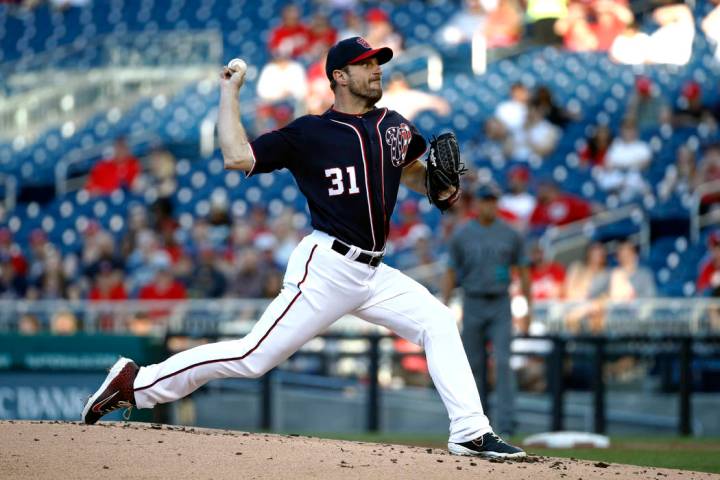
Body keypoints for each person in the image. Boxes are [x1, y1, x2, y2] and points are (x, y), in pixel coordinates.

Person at [81, 37, 525, 458]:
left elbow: (408, 169)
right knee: (252, 357)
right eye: (365, 64)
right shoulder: (310, 133)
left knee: (438, 322)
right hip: (327, 267)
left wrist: (436, 184)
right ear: (339, 77)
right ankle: (136, 384)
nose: (376, 71)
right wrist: (229, 94)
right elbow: (237, 156)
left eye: (377, 64)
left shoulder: (395, 125)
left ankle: (470, 432)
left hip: (374, 273)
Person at [442, 183, 531, 437]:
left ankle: (507, 424)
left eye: (492, 200)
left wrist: (528, 310)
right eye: (484, 200)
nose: (488, 205)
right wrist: (445, 306)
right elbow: (450, 271)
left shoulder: (510, 234)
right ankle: (477, 426)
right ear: (476, 204)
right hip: (472, 301)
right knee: (474, 366)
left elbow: (524, 272)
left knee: (503, 362)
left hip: (500, 302)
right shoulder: (462, 234)